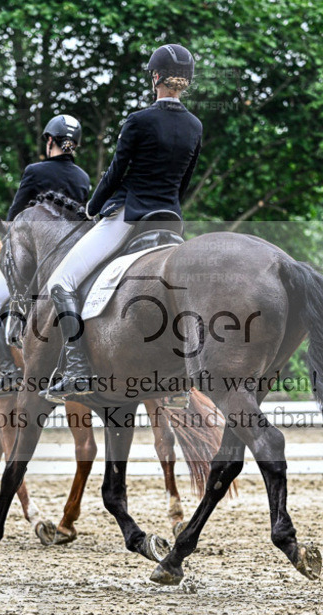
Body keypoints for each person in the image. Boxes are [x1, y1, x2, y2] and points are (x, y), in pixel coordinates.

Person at [43, 44, 203, 402]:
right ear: (185, 83)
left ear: (156, 77)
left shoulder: (139, 120)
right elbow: (184, 181)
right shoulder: (195, 126)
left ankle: (76, 372)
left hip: (129, 218)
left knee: (61, 281)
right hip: (170, 222)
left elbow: (116, 173)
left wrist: (92, 207)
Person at [0, 114, 90, 395]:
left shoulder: (35, 171)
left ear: (50, 140)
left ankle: (8, 370)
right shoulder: (83, 177)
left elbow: (15, 221)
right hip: (71, 262)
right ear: (74, 145)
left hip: (34, 262)